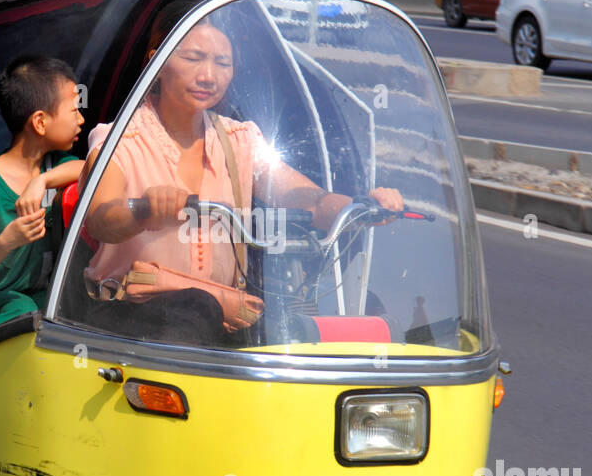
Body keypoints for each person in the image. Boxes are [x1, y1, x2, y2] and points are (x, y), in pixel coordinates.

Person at [77, 17, 403, 338]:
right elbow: (101, 218)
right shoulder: (117, 141)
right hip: (127, 319)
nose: (208, 75)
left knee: (299, 334)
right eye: (193, 58)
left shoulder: (241, 140)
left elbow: (305, 198)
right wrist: (142, 210)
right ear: (157, 61)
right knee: (197, 307)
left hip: (219, 318)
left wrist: (362, 207)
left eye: (223, 63)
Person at [0, 55, 84, 339]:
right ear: (40, 122)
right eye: (74, 111)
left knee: (74, 309)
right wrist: (8, 240)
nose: (81, 120)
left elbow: (88, 167)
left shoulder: (52, 168)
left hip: (32, 296)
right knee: (23, 313)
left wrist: (42, 181)